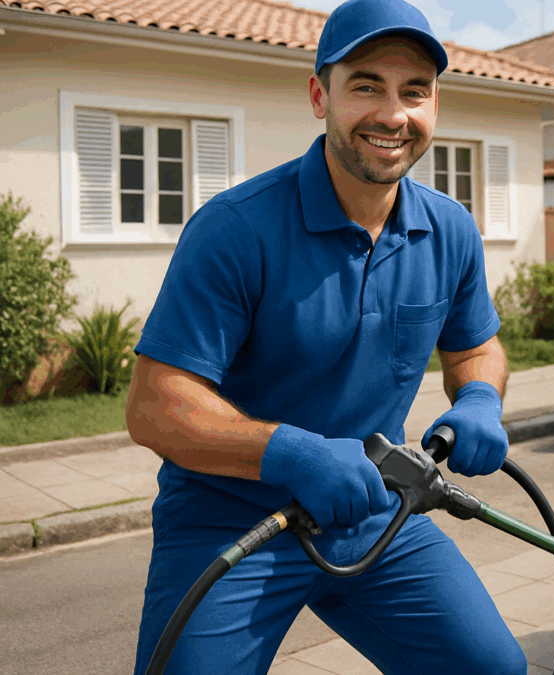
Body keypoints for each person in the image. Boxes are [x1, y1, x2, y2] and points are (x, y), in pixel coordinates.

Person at [127, 0, 526, 673]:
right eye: (365, 85)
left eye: (414, 91)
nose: (392, 114)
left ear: (434, 105)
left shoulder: (450, 228)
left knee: (493, 668)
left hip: (372, 508)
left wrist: (481, 396)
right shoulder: (237, 228)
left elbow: (474, 346)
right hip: (233, 517)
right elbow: (157, 404)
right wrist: (291, 453)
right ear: (320, 95)